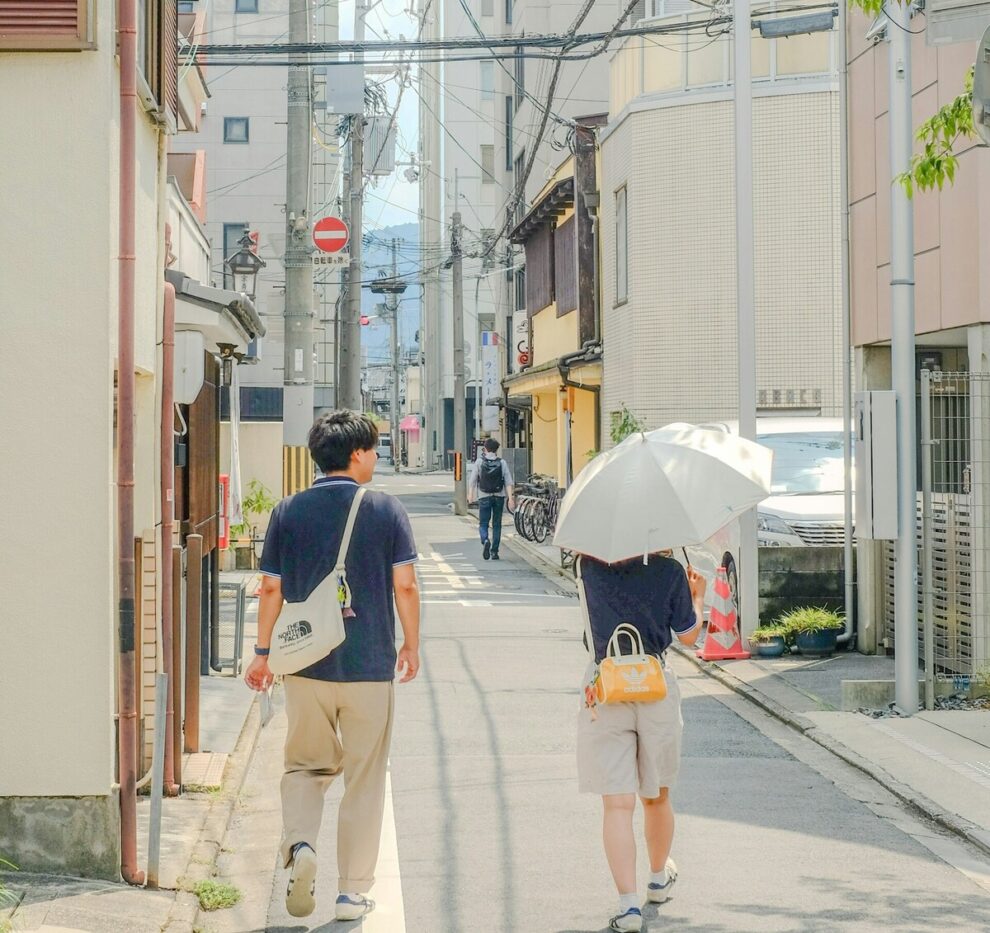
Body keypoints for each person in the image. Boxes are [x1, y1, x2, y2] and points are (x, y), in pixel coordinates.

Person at [244, 410, 421, 923]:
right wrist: (410, 643)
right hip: (369, 665)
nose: (374, 458)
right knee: (364, 777)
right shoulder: (386, 510)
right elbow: (404, 585)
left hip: (303, 666)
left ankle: (301, 846)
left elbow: (272, 588)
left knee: (303, 767)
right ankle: (351, 892)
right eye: (373, 450)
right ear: (358, 453)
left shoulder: (288, 511)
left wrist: (262, 655)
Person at [576, 552, 706, 932]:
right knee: (657, 794)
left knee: (617, 803)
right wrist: (696, 595)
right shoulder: (669, 572)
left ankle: (628, 906)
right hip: (654, 685)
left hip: (606, 683)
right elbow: (689, 635)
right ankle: (656, 878)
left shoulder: (588, 567)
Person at [468, 437, 515, 560]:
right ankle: (494, 551)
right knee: (497, 524)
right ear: (496, 450)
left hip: (484, 496)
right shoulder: (502, 462)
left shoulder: (479, 462)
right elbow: (508, 482)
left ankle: (485, 540)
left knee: (483, 523)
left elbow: (472, 480)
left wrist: (470, 495)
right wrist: (510, 498)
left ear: (485, 449)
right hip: (499, 496)